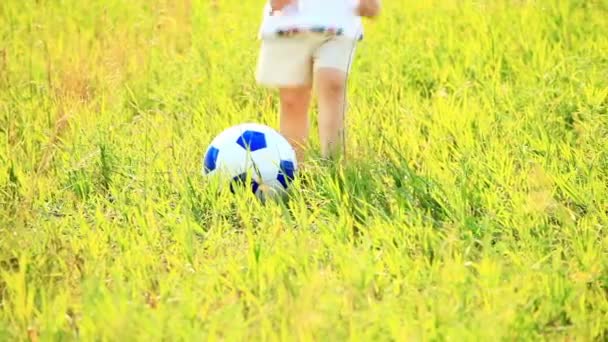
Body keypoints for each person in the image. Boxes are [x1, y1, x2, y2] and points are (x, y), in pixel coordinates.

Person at [256, 0, 381, 164]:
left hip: (339, 19)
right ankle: (295, 168)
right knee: (293, 100)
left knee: (333, 84)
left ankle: (335, 166)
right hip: (289, 19)